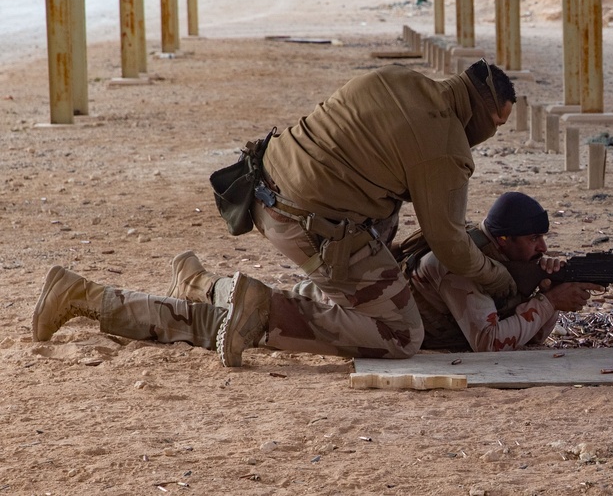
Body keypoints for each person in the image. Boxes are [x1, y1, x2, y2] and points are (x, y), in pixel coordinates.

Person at [33, 60, 518, 366]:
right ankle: (255, 311)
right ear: (482, 111)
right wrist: (500, 280)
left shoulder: (400, 78)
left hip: (263, 190)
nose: (491, 133)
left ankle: (202, 287)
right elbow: (450, 243)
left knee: (373, 257)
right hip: (312, 224)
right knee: (401, 333)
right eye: (497, 124)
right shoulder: (445, 144)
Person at [405, 191, 603, 352]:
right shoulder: (463, 264)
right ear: (503, 239)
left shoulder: (506, 258)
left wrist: (549, 288)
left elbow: (533, 338)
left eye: (542, 237)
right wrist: (550, 302)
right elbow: (490, 344)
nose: (543, 247)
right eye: (533, 238)